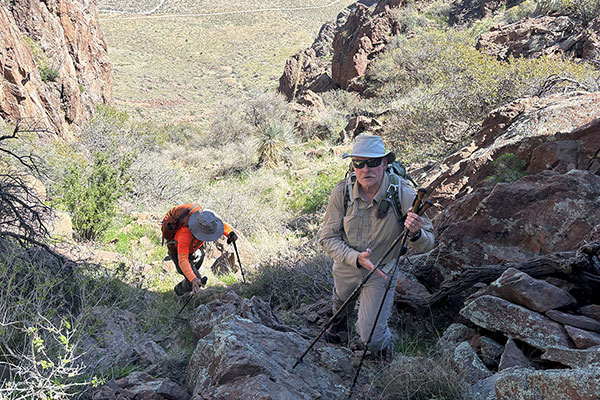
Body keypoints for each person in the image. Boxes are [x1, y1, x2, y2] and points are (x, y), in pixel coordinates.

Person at [318, 134, 435, 363]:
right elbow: (327, 238)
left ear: (384, 163)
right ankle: (339, 324)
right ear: (353, 166)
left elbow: (429, 243)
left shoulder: (404, 194)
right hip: (347, 264)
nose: (365, 169)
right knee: (341, 301)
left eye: (372, 162)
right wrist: (355, 258)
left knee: (370, 336)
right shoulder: (341, 193)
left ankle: (382, 348)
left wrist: (415, 233)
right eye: (358, 163)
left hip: (381, 270)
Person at [166, 205, 238, 296]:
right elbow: (183, 260)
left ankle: (191, 275)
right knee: (195, 279)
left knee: (201, 255)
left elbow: (220, 224)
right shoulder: (185, 234)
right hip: (177, 252)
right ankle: (178, 292)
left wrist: (229, 233)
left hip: (193, 249)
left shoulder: (207, 221)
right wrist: (193, 279)